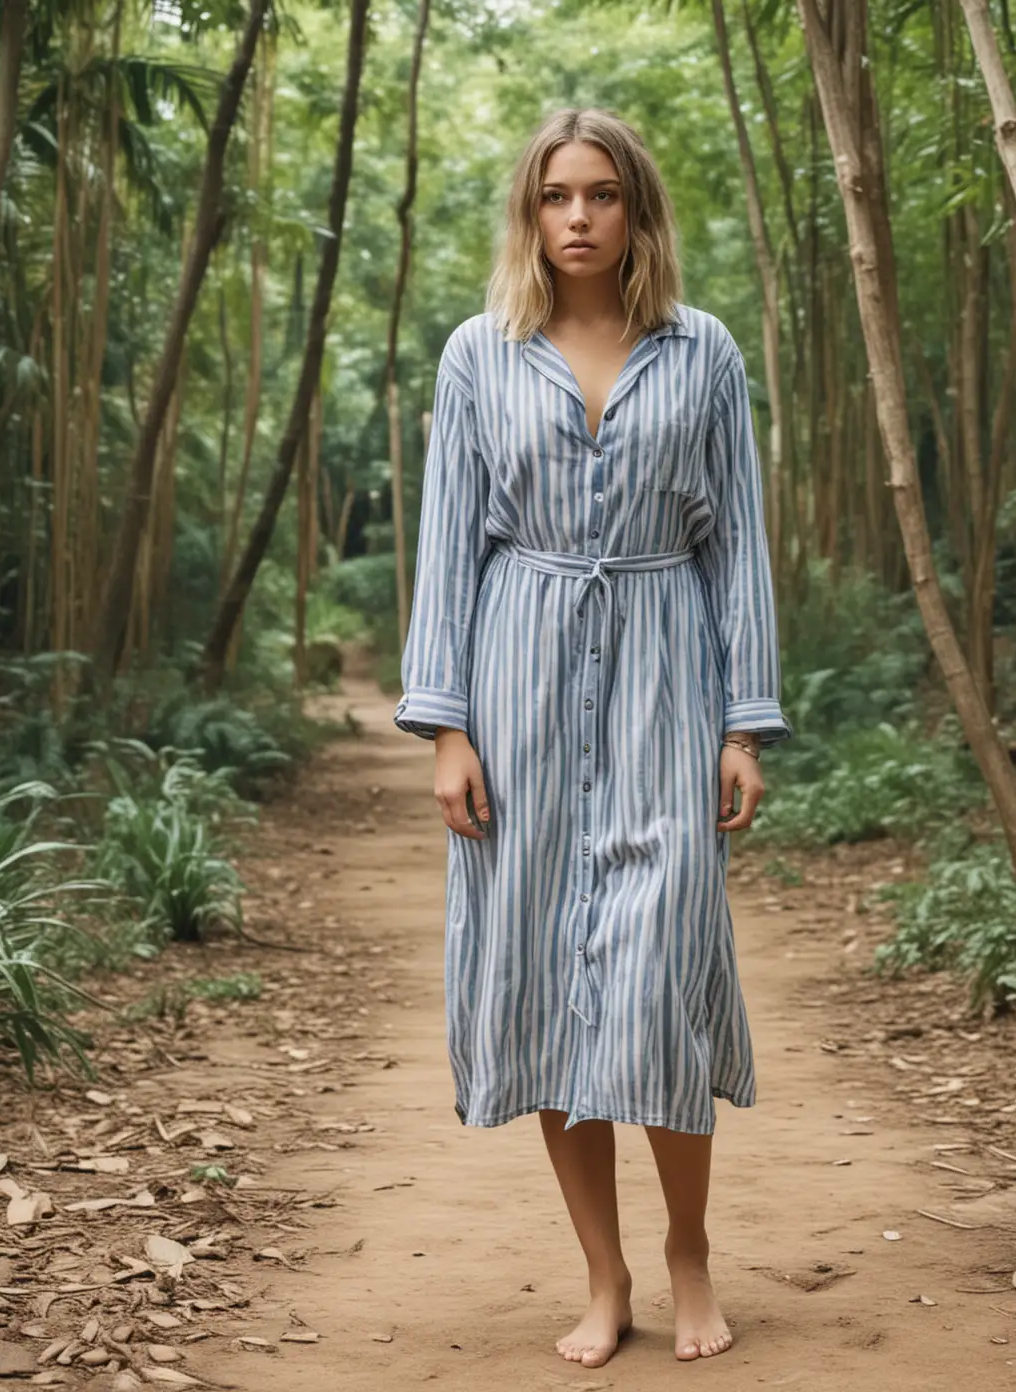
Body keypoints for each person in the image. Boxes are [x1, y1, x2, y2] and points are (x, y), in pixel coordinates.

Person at [392, 106, 792, 1369]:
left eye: (602, 195)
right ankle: (605, 1275)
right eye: (557, 196)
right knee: (546, 981)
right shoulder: (478, 354)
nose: (578, 217)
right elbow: (449, 545)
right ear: (531, 212)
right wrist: (445, 730)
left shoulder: (704, 352)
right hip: (516, 677)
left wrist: (744, 723)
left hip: (668, 666)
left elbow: (738, 548)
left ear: (636, 211)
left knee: (662, 971)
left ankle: (688, 1252)